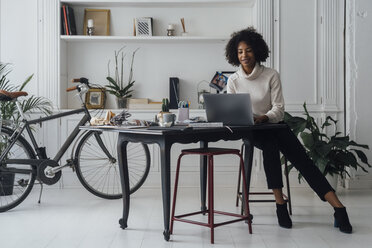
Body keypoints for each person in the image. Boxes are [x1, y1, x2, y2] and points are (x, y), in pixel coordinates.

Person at [225, 27, 352, 233]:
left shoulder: (270, 75)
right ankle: (280, 204)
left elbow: (279, 109)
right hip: (252, 131)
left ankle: (339, 208)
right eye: (240, 52)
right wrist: (250, 121)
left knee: (303, 161)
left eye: (248, 50)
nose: (244, 55)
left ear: (256, 51)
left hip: (273, 124)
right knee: (270, 146)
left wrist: (264, 117)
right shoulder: (233, 80)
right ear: (234, 54)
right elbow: (231, 111)